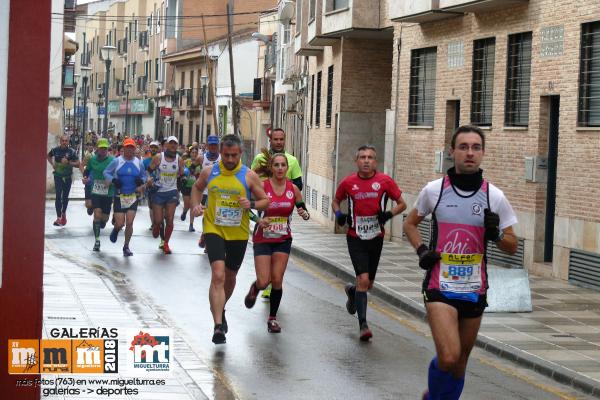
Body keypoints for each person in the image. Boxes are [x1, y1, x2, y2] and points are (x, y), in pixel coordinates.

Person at [402, 125, 518, 400]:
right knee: (449, 355)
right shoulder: (434, 191)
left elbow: (512, 246)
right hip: (440, 285)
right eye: (463, 147)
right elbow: (409, 224)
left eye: (476, 147)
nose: (469, 153)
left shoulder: (494, 196)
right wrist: (421, 251)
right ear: (452, 151)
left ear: (483, 154)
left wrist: (497, 234)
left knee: (460, 363)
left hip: (474, 288)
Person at [191, 134, 269, 344]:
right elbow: (197, 188)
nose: (230, 159)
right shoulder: (210, 171)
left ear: (240, 154)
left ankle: (221, 307)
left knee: (230, 276)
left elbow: (265, 201)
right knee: (218, 275)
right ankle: (218, 326)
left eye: (234, 155)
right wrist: (196, 205)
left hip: (238, 232)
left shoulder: (249, 176)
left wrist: (251, 204)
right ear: (221, 153)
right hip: (214, 228)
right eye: (226, 155)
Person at [332, 145, 406, 341]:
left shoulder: (384, 181)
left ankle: (352, 292)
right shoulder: (348, 182)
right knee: (363, 279)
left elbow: (402, 204)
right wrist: (339, 215)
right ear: (356, 161)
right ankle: (363, 325)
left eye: (370, 157)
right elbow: (335, 201)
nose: (366, 161)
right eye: (362, 157)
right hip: (355, 237)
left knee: (368, 284)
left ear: (376, 161)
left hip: (376, 238)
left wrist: (388, 214)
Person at [244, 153, 310, 333]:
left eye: (283, 165)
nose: (280, 168)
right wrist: (258, 221)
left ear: (287, 168)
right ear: (271, 168)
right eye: (277, 165)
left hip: (283, 239)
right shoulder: (262, 187)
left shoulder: (293, 189)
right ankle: (256, 287)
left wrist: (304, 214)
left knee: (277, 280)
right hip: (263, 239)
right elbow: (247, 207)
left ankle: (272, 319)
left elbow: (301, 207)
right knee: (264, 281)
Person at [250, 128, 303, 299]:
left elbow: (298, 184)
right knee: (267, 242)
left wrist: (284, 188)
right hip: (265, 205)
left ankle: (272, 284)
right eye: (276, 139)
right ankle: (264, 282)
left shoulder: (292, 160)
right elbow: (251, 180)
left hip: (284, 205)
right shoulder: (260, 158)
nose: (279, 142)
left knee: (279, 248)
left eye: (282, 139)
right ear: (270, 140)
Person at [104, 138, 147, 257]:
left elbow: (144, 176)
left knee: (129, 222)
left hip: (132, 196)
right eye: (127, 147)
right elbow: (106, 172)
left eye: (131, 147)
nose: (129, 150)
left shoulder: (139, 162)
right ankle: (116, 229)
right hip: (119, 196)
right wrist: (113, 180)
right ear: (123, 149)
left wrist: (141, 180)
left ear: (134, 149)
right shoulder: (117, 161)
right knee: (120, 223)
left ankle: (126, 246)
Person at [147, 136, 185, 254]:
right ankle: (156, 227)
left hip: (172, 192)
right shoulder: (159, 157)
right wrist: (148, 179)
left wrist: (183, 178)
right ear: (166, 145)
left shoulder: (179, 160)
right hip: (158, 192)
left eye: (175, 143)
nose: (173, 145)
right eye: (171, 143)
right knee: (158, 220)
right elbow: (148, 171)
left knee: (169, 219)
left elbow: (182, 174)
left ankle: (166, 243)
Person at [84, 138, 114, 251]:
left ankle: (102, 222)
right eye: (101, 148)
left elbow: (117, 173)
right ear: (97, 148)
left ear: (107, 149)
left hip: (108, 192)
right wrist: (85, 178)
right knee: (97, 214)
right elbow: (87, 170)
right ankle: (97, 240)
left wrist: (111, 180)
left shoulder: (112, 160)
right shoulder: (92, 160)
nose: (103, 150)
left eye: (105, 148)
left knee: (104, 219)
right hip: (95, 190)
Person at [47, 134, 80, 226]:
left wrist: (69, 162)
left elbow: (78, 164)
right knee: (58, 195)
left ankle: (63, 213)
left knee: (65, 197)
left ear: (68, 142)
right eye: (63, 141)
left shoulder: (72, 152)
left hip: (68, 177)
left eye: (66, 141)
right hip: (58, 176)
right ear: (60, 141)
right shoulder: (55, 150)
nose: (64, 142)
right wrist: (52, 163)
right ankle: (58, 218)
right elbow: (48, 156)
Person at [197, 135, 221, 249]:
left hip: (219, 193)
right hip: (205, 192)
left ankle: (207, 237)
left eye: (215, 145)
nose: (213, 147)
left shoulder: (222, 158)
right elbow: (193, 170)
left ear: (218, 146)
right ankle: (205, 234)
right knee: (206, 216)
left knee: (216, 217)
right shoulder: (201, 158)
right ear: (207, 145)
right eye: (211, 144)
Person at [180, 147, 201, 232]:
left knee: (193, 206)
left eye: (196, 153)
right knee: (187, 205)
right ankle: (184, 212)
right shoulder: (186, 162)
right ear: (190, 153)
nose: (194, 154)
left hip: (195, 187)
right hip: (186, 186)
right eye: (193, 152)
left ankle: (191, 225)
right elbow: (181, 172)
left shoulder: (200, 163)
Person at [143, 141, 160, 231]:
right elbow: (143, 173)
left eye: (155, 147)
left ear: (158, 149)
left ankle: (159, 223)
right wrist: (146, 181)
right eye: (152, 147)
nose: (153, 149)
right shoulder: (145, 161)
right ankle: (153, 224)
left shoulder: (162, 159)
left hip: (161, 186)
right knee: (151, 206)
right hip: (150, 186)